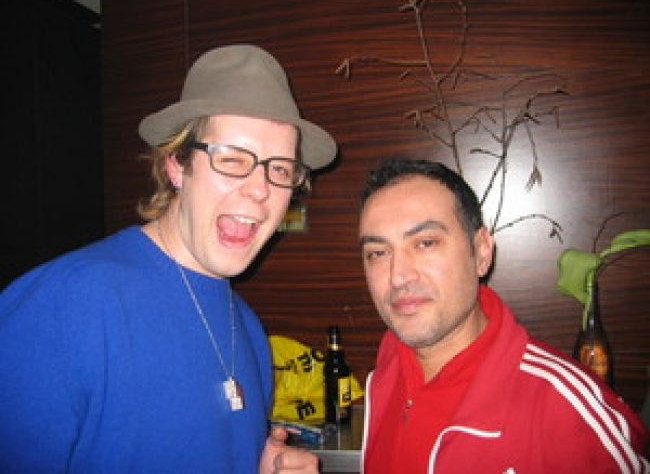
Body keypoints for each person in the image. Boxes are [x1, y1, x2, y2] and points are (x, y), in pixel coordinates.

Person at [0, 44, 337, 473]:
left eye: (281, 169)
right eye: (233, 159)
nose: (260, 189)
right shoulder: (67, 304)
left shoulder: (249, 328)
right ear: (177, 165)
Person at [358, 158, 648, 473]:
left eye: (426, 243)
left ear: (482, 252)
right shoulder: (384, 377)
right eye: (378, 253)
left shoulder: (565, 410)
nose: (398, 276)